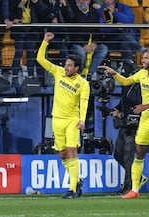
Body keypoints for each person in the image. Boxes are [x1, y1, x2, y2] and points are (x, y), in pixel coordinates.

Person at [98, 49, 149, 199]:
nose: (143, 60)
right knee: (139, 153)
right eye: (143, 58)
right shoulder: (142, 74)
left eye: (146, 58)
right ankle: (134, 190)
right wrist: (114, 73)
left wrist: (146, 106)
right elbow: (126, 81)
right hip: (146, 118)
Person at [36, 32, 90, 199]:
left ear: (76, 68)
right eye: (65, 64)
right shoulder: (58, 72)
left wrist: (81, 120)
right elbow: (40, 59)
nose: (65, 67)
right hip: (57, 120)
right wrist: (45, 42)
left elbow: (84, 103)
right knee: (62, 153)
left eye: (69, 66)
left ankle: (72, 189)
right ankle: (77, 180)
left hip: (72, 121)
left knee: (72, 151)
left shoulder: (83, 84)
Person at [110, 60, 147, 195]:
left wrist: (123, 114)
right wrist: (116, 110)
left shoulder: (139, 86)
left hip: (135, 125)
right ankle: (139, 177)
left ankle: (129, 188)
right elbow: (124, 102)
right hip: (125, 124)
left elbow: (139, 106)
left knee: (128, 157)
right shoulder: (126, 86)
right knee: (118, 154)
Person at [67, 0, 108, 80]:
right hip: (77, 43)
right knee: (81, 53)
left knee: (103, 49)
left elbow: (98, 32)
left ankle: (90, 74)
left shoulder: (94, 13)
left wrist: (95, 43)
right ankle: (79, 75)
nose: (83, 1)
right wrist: (83, 44)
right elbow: (71, 32)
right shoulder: (72, 12)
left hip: (91, 43)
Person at [9, 0, 43, 87]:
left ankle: (30, 76)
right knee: (18, 52)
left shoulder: (34, 2)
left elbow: (42, 12)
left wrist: (37, 3)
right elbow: (10, 10)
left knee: (31, 54)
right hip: (19, 30)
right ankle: (15, 75)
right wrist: (13, 19)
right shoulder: (16, 2)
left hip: (31, 31)